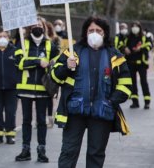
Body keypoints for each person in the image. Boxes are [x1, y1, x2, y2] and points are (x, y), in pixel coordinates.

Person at [51, 16, 132, 168]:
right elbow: (54, 77)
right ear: (85, 33)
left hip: (102, 113)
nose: (94, 33)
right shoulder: (72, 52)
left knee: (96, 155)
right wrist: (66, 67)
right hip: (75, 113)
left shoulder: (115, 56)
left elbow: (126, 85)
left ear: (105, 33)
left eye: (98, 30)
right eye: (91, 30)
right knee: (68, 151)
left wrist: (111, 102)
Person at [14, 16, 59, 163]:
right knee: (26, 121)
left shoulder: (50, 45)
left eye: (39, 25)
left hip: (43, 89)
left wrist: (53, 64)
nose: (37, 27)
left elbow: (57, 63)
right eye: (33, 25)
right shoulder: (22, 42)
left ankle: (41, 150)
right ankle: (25, 150)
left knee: (41, 121)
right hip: (25, 88)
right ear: (29, 28)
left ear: (44, 27)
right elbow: (19, 63)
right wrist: (38, 61)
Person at [124, 21, 152, 109]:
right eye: (133, 26)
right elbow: (122, 45)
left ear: (140, 27)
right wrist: (125, 48)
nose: (134, 28)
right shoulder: (128, 37)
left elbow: (150, 45)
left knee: (144, 82)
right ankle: (135, 102)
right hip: (131, 63)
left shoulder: (144, 37)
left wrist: (141, 48)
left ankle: (147, 102)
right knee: (132, 83)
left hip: (141, 63)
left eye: (136, 26)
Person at [45, 20, 61, 128]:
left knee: (49, 96)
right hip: (42, 70)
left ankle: (50, 117)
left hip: (51, 70)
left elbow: (57, 53)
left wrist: (52, 62)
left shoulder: (55, 40)